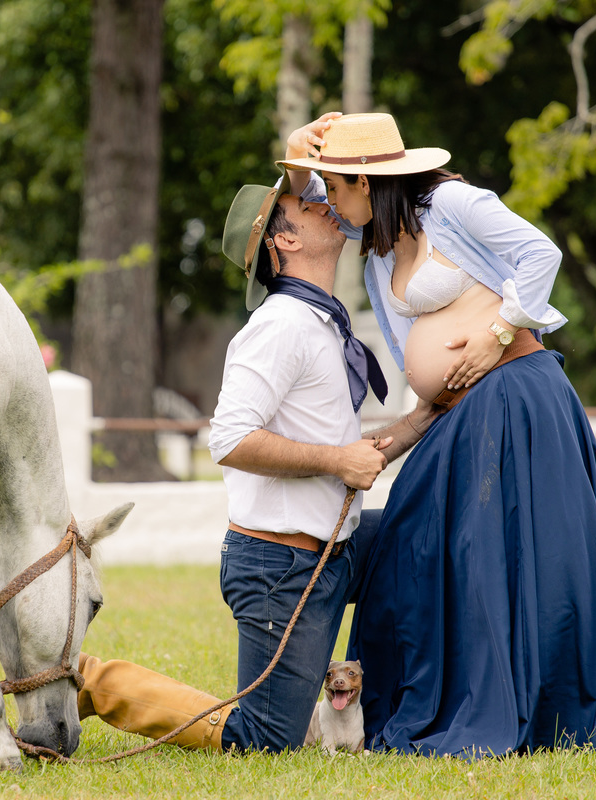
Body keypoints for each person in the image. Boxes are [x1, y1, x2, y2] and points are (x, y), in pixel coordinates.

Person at [277, 111, 596, 757]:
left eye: (336, 186)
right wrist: (294, 153)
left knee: (512, 552)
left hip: (516, 394)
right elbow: (302, 210)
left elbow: (541, 253)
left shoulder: (451, 204)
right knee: (410, 541)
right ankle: (440, 695)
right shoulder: (378, 238)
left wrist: (498, 332)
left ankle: (537, 705)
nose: (328, 201)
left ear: (367, 183)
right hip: (458, 415)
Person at [75, 172, 438, 753]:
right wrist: (336, 461)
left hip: (340, 548)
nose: (324, 203)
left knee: (428, 541)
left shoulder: (318, 321)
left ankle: (404, 710)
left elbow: (350, 456)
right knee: (265, 740)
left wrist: (426, 415)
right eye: (307, 204)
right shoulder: (278, 326)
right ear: (283, 240)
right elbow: (229, 437)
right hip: (281, 569)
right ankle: (96, 683)